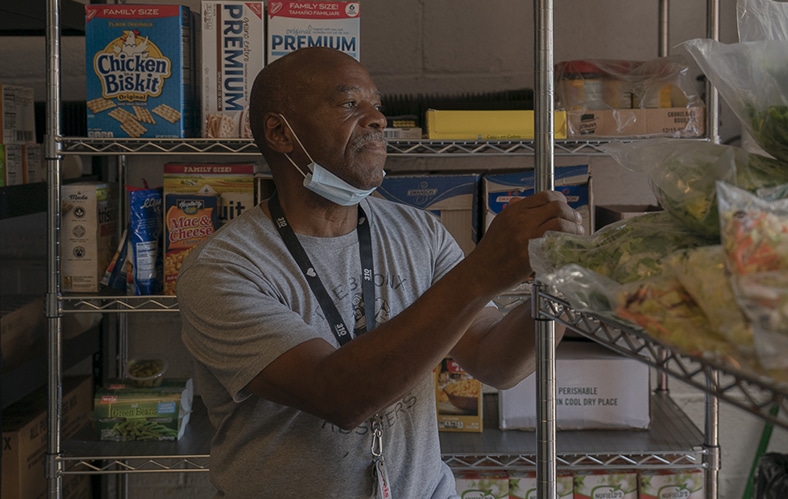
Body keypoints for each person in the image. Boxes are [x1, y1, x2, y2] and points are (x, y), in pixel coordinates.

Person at [177, 46, 580, 498]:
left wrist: (568, 280)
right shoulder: (224, 268)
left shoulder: (418, 232)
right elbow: (338, 395)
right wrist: (484, 269)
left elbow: (497, 360)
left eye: (377, 106)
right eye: (350, 104)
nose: (377, 119)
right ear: (279, 132)